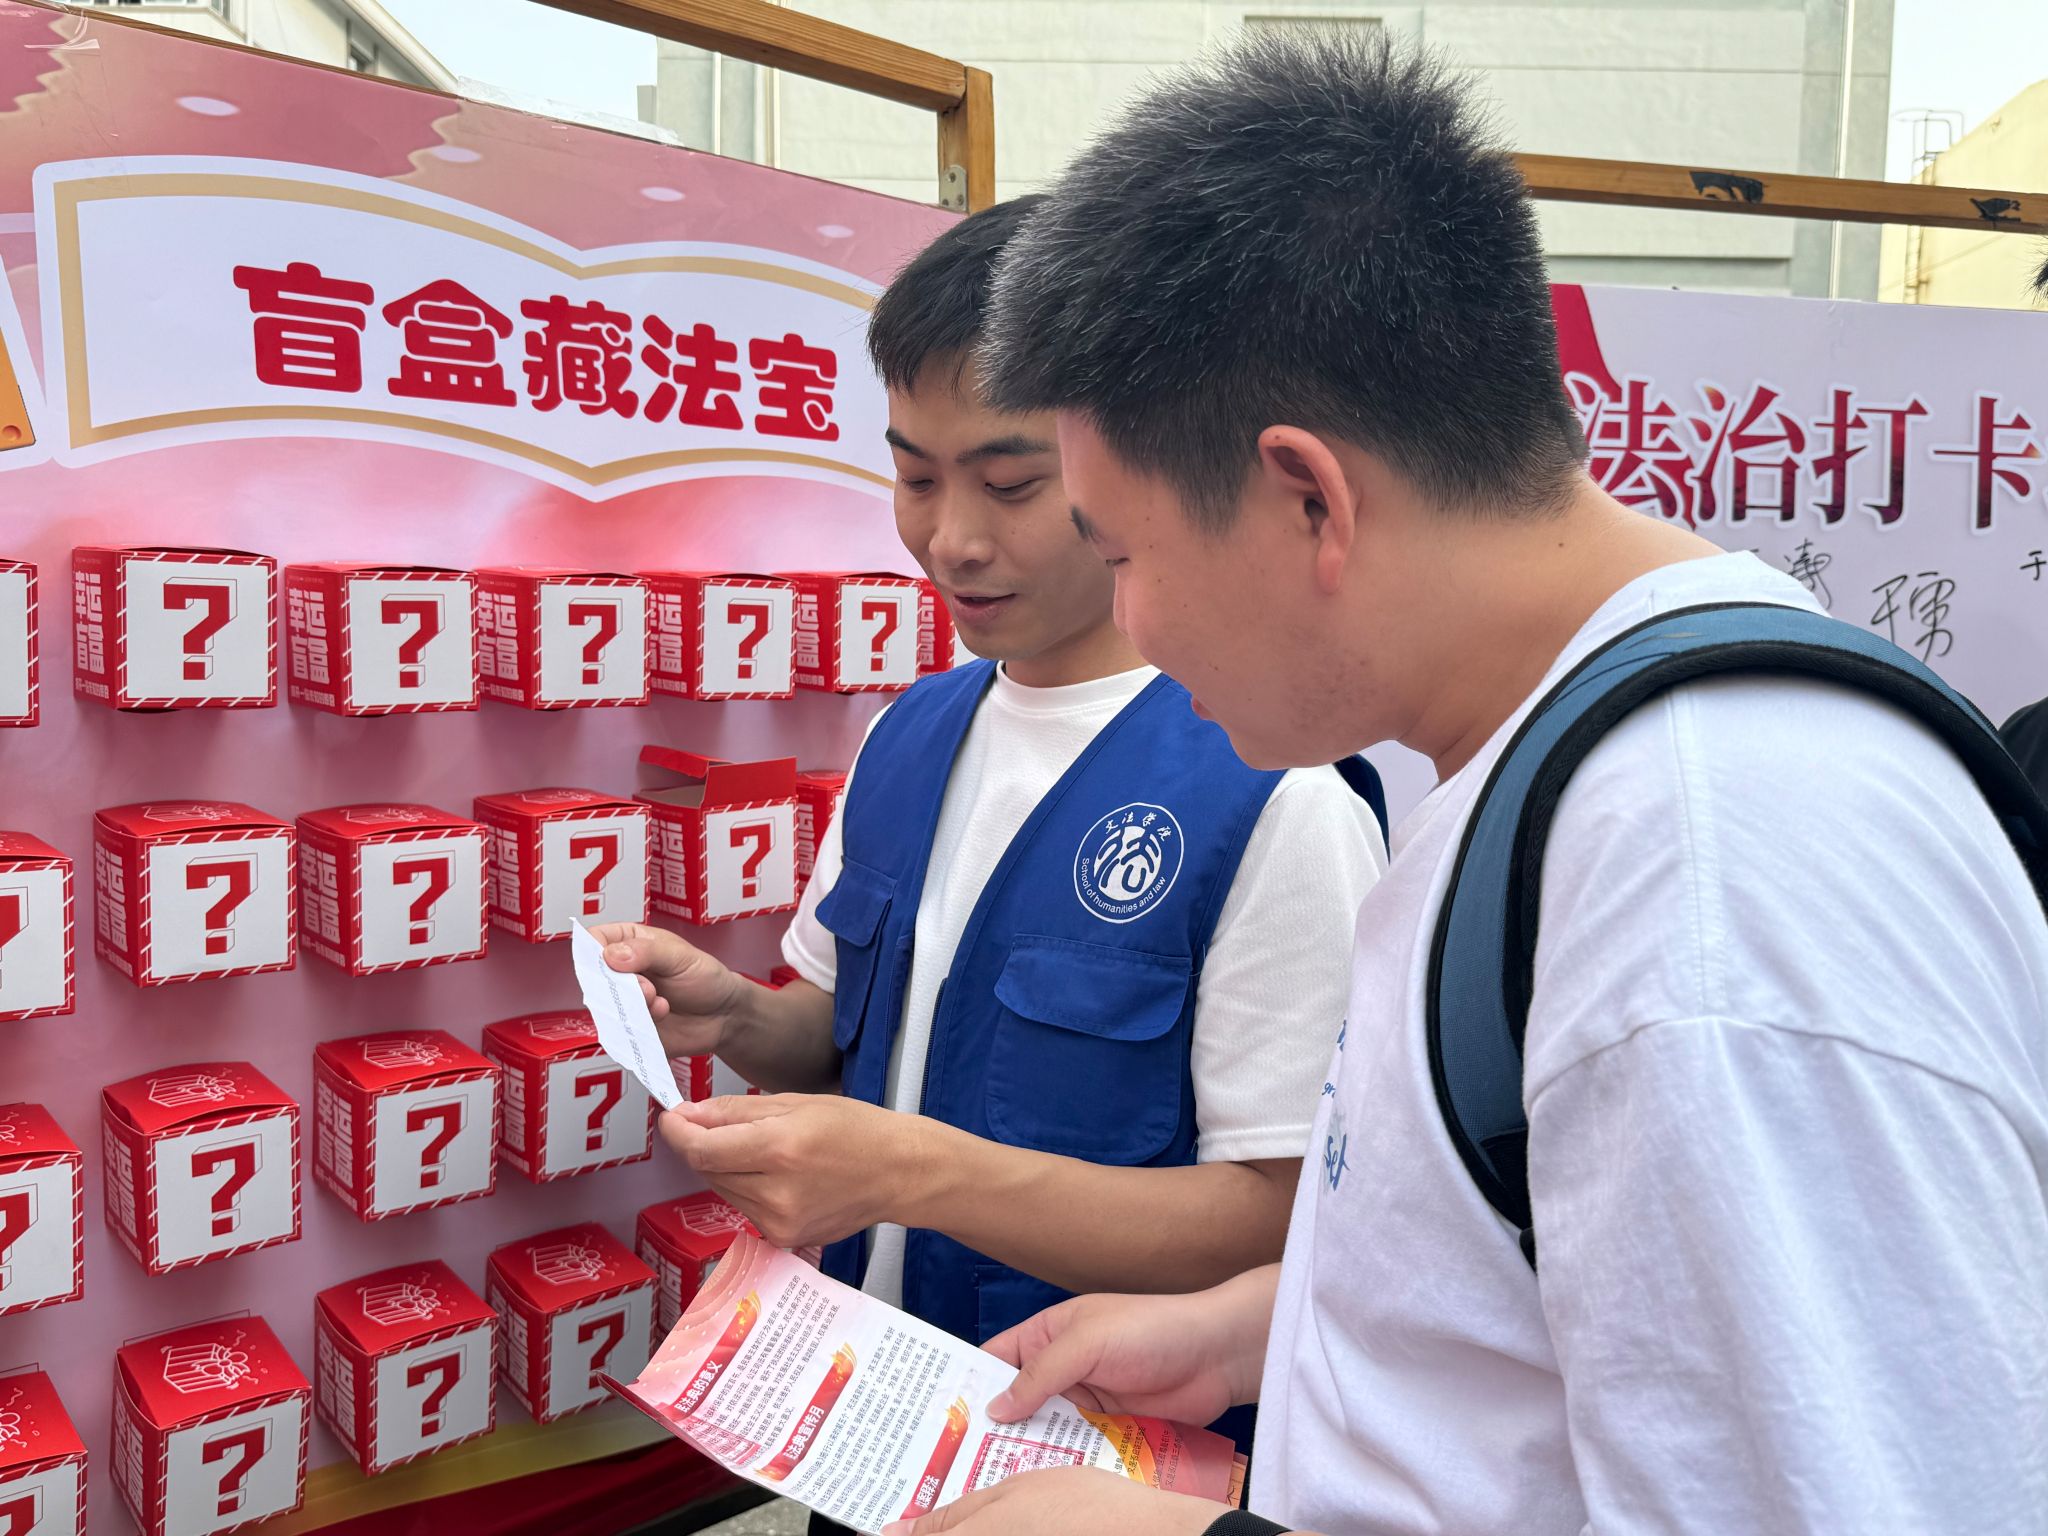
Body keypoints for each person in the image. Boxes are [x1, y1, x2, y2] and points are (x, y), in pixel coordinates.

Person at [884, 30, 2048, 1536]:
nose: (1133, 627)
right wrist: (1267, 1328)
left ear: (1309, 498)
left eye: (1121, 555)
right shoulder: (1557, 754)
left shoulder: (1703, 886)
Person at [596, 201, 1383, 1358]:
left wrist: (913, 1175)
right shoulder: (906, 733)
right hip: (873, 1392)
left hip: (1089, 1430)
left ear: (1137, 466)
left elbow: (1280, 1220)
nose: (951, 540)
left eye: (1009, 485)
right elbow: (851, 1033)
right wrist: (735, 1016)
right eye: (914, 478)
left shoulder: (1276, 795)